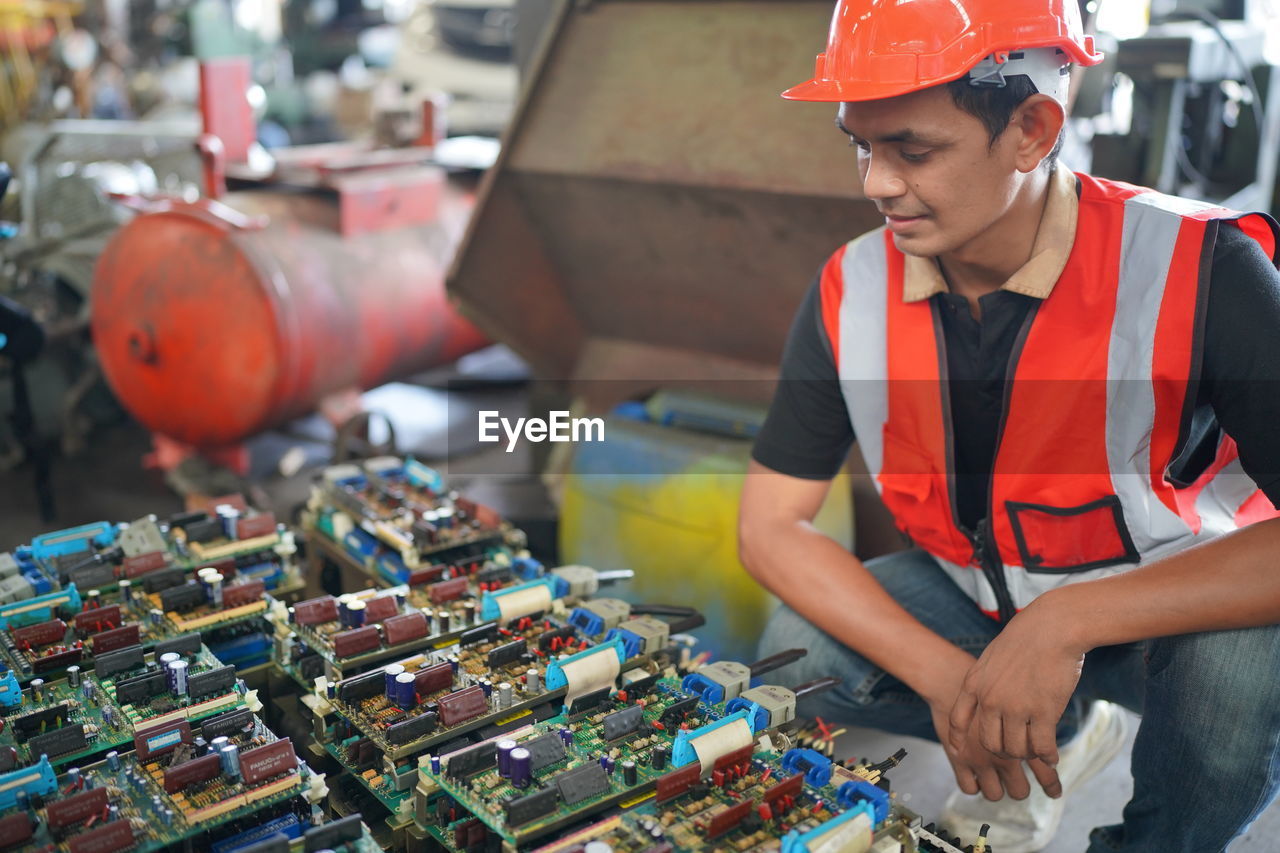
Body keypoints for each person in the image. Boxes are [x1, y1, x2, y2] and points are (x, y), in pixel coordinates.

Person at [738, 1, 1280, 850]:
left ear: (1031, 130)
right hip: (987, 598)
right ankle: (1052, 737)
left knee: (1238, 687)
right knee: (800, 646)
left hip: (1169, 616)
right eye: (861, 144)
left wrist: (1063, 624)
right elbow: (770, 529)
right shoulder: (853, 287)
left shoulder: (1199, 268)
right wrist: (952, 679)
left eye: (913, 150)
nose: (876, 182)